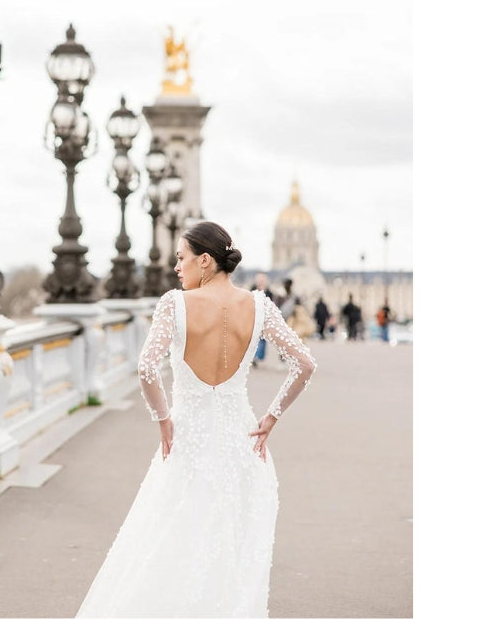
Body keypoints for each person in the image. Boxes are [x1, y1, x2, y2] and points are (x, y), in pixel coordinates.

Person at [77, 221, 317, 617]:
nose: (176, 267)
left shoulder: (174, 304)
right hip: (243, 444)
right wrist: (270, 417)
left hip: (187, 441)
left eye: (181, 258)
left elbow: (147, 370)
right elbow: (305, 365)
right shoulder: (260, 306)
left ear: (204, 261)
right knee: (227, 552)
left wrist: (163, 420)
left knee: (171, 542)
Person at [249, 273, 276, 367]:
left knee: (263, 339)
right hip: (253, 317)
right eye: (259, 281)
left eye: (262, 281)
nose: (261, 283)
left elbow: (272, 305)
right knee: (255, 339)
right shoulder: (251, 291)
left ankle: (258, 357)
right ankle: (255, 356)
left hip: (265, 318)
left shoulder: (269, 292)